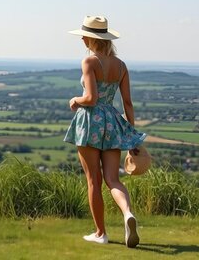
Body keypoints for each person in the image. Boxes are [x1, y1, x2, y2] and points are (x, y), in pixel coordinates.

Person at [63, 15, 146, 248]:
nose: (82, 40)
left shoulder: (89, 62)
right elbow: (128, 103)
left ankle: (101, 233)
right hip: (112, 123)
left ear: (90, 38)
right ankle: (127, 213)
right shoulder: (121, 66)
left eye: (83, 37)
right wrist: (131, 134)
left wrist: (75, 100)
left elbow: (91, 98)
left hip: (90, 123)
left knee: (93, 181)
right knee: (113, 179)